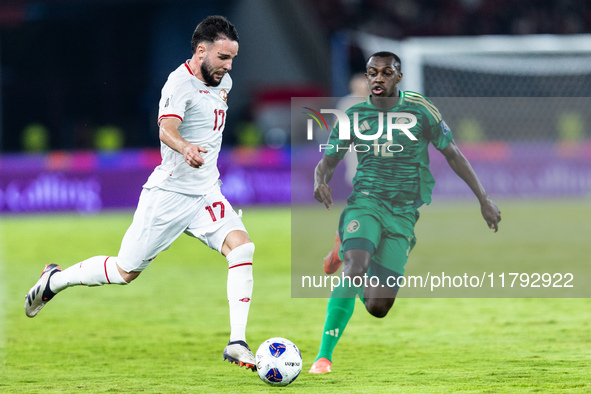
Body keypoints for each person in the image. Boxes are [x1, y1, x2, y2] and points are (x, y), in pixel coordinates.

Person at [24, 15, 257, 371]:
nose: (228, 66)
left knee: (242, 247)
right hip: (170, 195)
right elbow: (166, 129)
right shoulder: (179, 84)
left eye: (232, 59)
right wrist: (186, 148)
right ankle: (54, 280)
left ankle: (237, 342)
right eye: (223, 57)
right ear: (200, 51)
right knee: (124, 271)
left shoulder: (223, 81)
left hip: (206, 191)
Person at [309, 51, 501, 374]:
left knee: (378, 307)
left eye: (386, 73)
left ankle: (346, 247)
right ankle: (323, 356)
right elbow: (328, 161)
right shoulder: (354, 116)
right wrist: (320, 181)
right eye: (372, 73)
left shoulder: (420, 109)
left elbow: (452, 154)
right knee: (356, 267)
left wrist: (483, 198)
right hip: (366, 201)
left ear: (399, 77)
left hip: (403, 212)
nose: (378, 79)